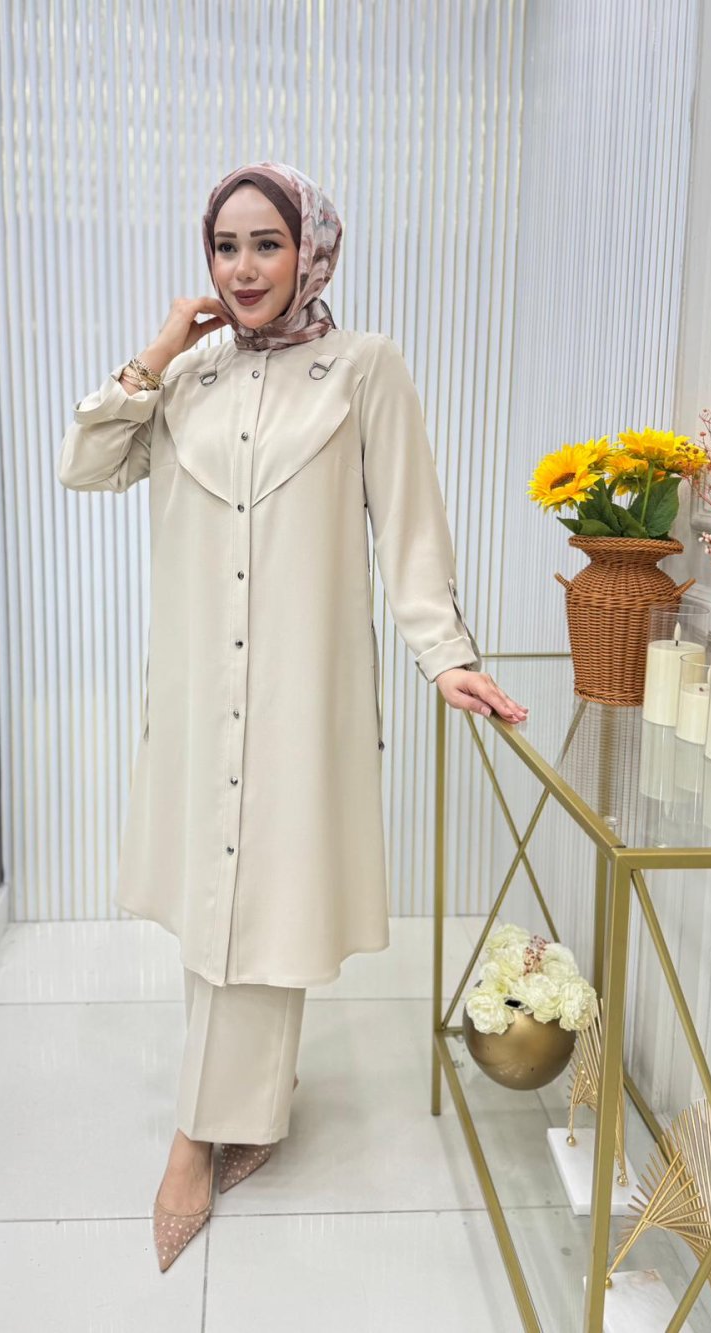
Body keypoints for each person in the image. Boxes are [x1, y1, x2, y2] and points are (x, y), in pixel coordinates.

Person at [57, 161, 528, 1272]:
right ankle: (252, 1110)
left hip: (301, 690)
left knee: (262, 896)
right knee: (219, 902)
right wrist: (155, 353)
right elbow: (87, 464)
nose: (243, 267)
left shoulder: (363, 368)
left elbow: (410, 527)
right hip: (197, 689)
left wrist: (444, 654)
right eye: (225, 246)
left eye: (266, 243)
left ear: (310, 248)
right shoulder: (188, 378)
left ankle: (194, 1138)